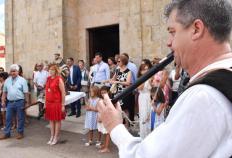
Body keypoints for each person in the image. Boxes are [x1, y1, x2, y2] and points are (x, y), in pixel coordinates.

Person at [97, 0, 232, 157]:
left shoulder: (204, 97)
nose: (169, 42)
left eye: (172, 32)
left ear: (196, 29)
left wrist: (115, 126)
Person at [0, 64, 29, 140]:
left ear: (18, 72)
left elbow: (26, 92)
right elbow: (4, 92)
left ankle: (20, 133)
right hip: (10, 102)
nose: (13, 73)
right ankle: (7, 133)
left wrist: (27, 102)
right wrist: (3, 100)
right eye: (11, 71)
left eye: (14, 71)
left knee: (20, 118)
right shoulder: (7, 80)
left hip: (20, 102)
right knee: (8, 118)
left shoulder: (23, 80)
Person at [106, 55, 131, 125]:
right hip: (117, 92)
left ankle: (126, 126)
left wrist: (117, 82)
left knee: (125, 109)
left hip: (124, 92)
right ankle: (119, 124)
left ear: (123, 61)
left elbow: (128, 83)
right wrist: (107, 81)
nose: (117, 63)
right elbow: (113, 79)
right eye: (117, 61)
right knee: (118, 109)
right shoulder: (117, 69)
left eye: (119, 61)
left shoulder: (128, 71)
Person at [45, 64, 66, 145]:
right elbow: (46, 91)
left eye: (52, 70)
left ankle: (56, 137)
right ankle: (52, 136)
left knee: (57, 120)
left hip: (57, 103)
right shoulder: (48, 79)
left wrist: (63, 105)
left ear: (56, 71)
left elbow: (63, 92)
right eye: (49, 69)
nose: (50, 71)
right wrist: (45, 102)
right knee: (51, 120)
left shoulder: (59, 79)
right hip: (49, 103)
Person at [137, 64, 151, 139]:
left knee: (149, 114)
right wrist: (144, 78)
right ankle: (143, 136)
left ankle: (149, 135)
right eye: (144, 69)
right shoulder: (140, 79)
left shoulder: (151, 77)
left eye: (147, 69)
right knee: (143, 115)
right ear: (141, 71)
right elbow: (140, 88)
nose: (146, 71)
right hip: (142, 97)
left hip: (149, 97)